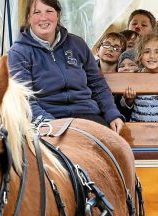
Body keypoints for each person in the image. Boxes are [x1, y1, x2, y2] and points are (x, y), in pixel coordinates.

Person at [7, 0, 124, 133]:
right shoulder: (18, 53)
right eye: (37, 12)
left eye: (49, 11)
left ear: (58, 14)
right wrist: (49, 123)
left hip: (87, 115)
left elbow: (97, 84)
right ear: (28, 18)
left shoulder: (77, 44)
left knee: (112, 148)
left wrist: (112, 113)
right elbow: (24, 98)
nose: (43, 18)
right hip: (49, 119)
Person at [120, 34, 158, 122]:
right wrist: (129, 100)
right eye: (147, 51)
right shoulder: (134, 77)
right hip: (137, 130)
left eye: (157, 52)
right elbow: (123, 105)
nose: (152, 56)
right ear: (140, 55)